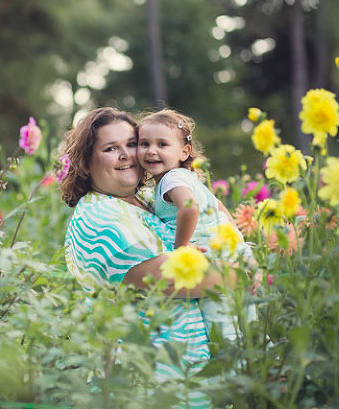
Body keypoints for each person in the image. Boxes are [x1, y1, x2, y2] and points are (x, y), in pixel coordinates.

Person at [60, 107, 236, 408]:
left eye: (131, 143)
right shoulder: (96, 219)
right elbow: (178, 282)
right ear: (86, 163)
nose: (127, 154)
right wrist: (243, 270)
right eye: (110, 148)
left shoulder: (148, 200)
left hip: (194, 382)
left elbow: (213, 213)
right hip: (147, 388)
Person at [136, 108, 256, 340]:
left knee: (224, 333)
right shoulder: (187, 178)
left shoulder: (171, 179)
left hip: (212, 259)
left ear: (184, 151)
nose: (151, 151)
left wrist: (180, 249)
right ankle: (267, 370)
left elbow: (189, 208)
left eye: (162, 144)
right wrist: (238, 243)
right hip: (231, 252)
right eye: (144, 144)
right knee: (250, 331)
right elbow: (219, 205)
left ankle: (236, 371)